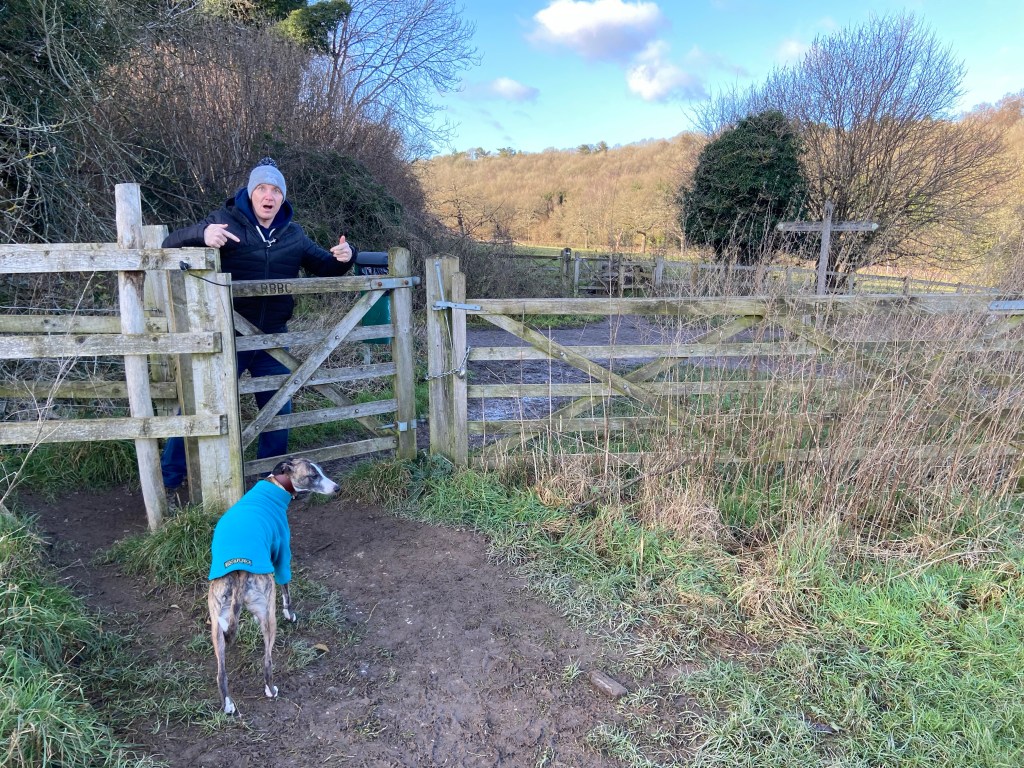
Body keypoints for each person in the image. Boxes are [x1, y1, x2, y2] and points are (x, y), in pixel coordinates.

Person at [160, 157, 355, 495]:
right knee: (200, 405)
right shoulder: (225, 222)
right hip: (227, 337)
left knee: (278, 410)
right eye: (262, 188)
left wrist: (346, 257)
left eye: (276, 190)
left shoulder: (293, 235)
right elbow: (169, 245)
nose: (269, 195)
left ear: (283, 198)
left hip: (273, 338)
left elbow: (325, 267)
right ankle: (169, 479)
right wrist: (201, 234)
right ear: (250, 193)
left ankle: (272, 487)